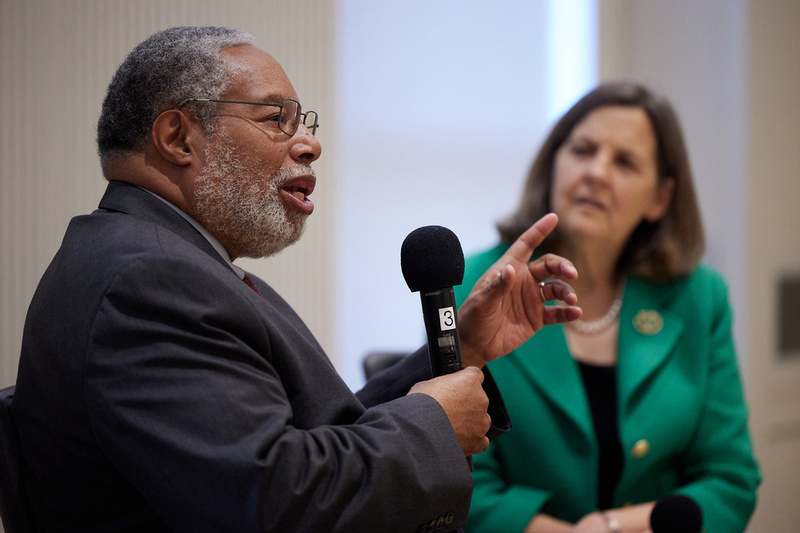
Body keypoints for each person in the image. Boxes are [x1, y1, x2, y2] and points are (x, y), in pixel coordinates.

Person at [12, 26, 581, 533]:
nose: (309, 144)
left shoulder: (154, 259)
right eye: (274, 120)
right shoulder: (150, 283)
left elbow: (305, 442)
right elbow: (276, 501)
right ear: (178, 138)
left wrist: (462, 348)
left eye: (301, 122)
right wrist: (432, 424)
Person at [454, 82, 760, 533]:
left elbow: (730, 480)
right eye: (583, 150)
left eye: (624, 162)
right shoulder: (480, 286)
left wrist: (613, 526)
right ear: (554, 164)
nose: (596, 172)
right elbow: (458, 484)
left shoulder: (701, 297)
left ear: (659, 198)